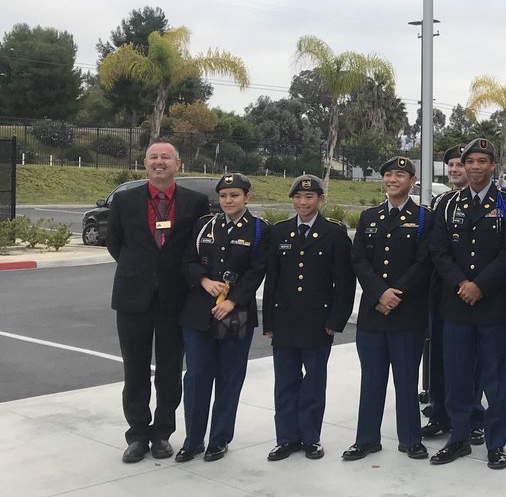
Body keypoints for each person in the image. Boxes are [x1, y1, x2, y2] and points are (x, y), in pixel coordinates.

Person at [107, 141, 210, 463]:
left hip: (175, 299)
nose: (159, 162)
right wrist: (141, 270)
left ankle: (163, 432)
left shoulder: (196, 202)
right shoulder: (124, 200)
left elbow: (198, 247)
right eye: (153, 157)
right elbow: (114, 243)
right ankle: (137, 435)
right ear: (145, 164)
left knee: (169, 370)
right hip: (132, 298)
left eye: (165, 157)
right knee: (134, 369)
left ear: (178, 164)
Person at [427, 138, 506, 469]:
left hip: (493, 305)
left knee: (494, 381)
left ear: (493, 166)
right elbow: (439, 251)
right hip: (456, 305)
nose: (475, 167)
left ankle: (495, 444)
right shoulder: (448, 204)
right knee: (456, 377)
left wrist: (480, 285)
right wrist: (462, 283)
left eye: (482, 161)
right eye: (469, 161)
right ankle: (458, 438)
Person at [344, 156, 433, 462]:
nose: (393, 180)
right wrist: (379, 293)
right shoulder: (369, 216)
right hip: (373, 312)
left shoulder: (424, 218)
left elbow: (425, 262)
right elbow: (359, 260)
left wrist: (396, 294)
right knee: (371, 380)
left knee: (406, 381)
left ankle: (411, 439)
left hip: (406, 314)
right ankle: (367, 439)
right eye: (388, 175)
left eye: (400, 175)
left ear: (412, 181)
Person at [262, 174, 354, 462]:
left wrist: (336, 320)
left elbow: (344, 282)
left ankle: (311, 437)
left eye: (309, 197)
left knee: (314, 384)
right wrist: (268, 323)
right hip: (285, 320)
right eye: (298, 197)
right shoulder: (279, 232)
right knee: (285, 383)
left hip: (318, 321)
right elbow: (272, 280)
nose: (303, 202)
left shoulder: (334, 232)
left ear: (321, 199)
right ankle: (286, 439)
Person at [177, 173, 268, 463]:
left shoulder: (258, 229)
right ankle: (193, 440)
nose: (228, 200)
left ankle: (219, 440)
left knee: (229, 378)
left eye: (235, 195)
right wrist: (204, 281)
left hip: (236, 315)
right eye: (224, 195)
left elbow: (257, 271)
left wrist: (232, 300)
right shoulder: (205, 225)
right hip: (198, 313)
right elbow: (187, 260)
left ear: (247, 197)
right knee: (196, 377)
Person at [421, 144, 476, 440]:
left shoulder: (492, 201)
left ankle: (473, 418)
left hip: (475, 294)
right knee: (440, 357)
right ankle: (440, 412)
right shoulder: (441, 201)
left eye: (459, 164)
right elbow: (435, 248)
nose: (455, 170)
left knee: (473, 361)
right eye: (451, 165)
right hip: (442, 292)